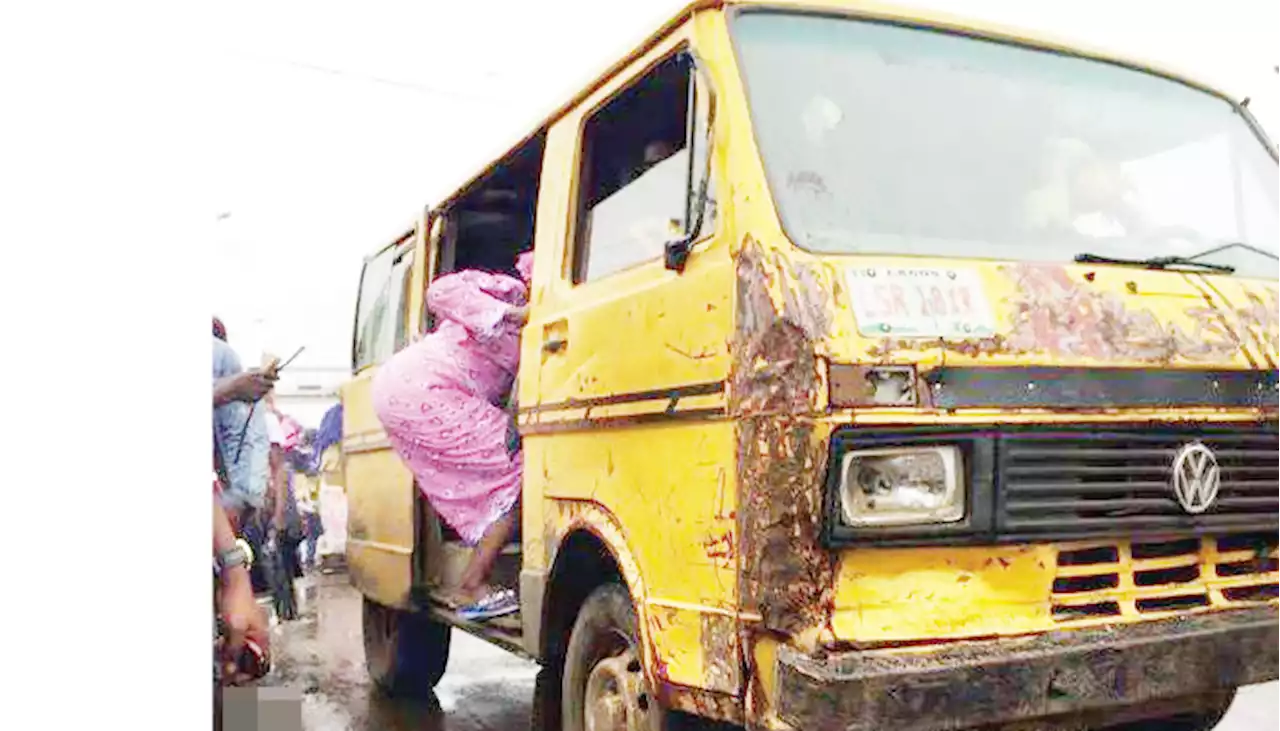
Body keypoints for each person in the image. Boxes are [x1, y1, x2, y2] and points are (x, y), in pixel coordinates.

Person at [371, 250, 534, 620]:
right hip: (423, 386)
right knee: (523, 465)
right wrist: (512, 314)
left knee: (512, 464)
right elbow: (439, 292)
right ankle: (473, 584)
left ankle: (474, 577)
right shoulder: (511, 293)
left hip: (420, 390)